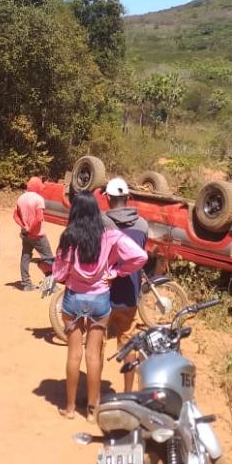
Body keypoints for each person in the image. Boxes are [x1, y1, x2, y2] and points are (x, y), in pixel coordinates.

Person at [51, 190, 147, 420]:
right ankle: (93, 411)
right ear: (96, 210)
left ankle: (71, 407)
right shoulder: (109, 235)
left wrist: (68, 275)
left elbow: (58, 273)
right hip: (100, 299)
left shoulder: (68, 237)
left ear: (74, 211)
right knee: (93, 354)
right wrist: (116, 271)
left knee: (74, 354)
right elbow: (140, 257)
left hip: (73, 298)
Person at [103, 178, 150, 392]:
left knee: (97, 343)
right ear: (127, 198)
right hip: (130, 295)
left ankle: (93, 395)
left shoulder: (102, 222)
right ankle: (128, 393)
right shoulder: (142, 224)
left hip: (103, 293)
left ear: (108, 199)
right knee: (129, 343)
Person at [14, 176, 54, 290]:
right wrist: (31, 229)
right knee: (48, 258)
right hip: (37, 235)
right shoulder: (38, 199)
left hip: (25, 234)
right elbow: (39, 218)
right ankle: (50, 285)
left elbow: (15, 215)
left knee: (25, 257)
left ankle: (26, 284)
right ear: (37, 187)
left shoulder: (20, 198)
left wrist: (23, 226)